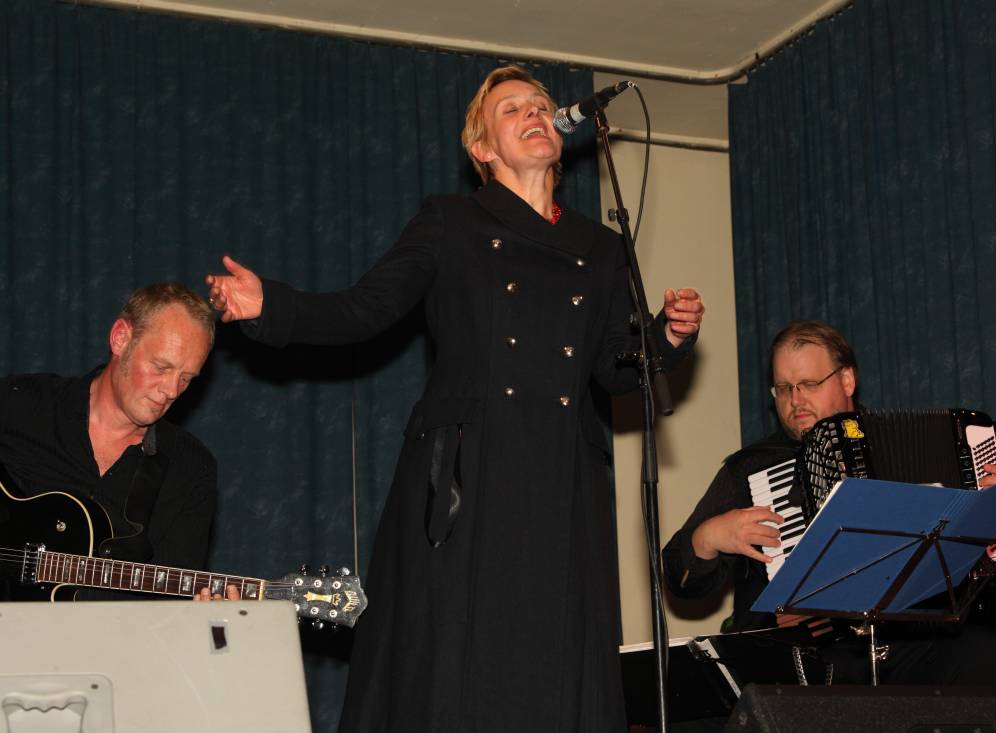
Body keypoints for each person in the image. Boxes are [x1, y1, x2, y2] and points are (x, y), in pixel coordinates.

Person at [206, 65, 705, 732]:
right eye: (511, 109)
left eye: (541, 104)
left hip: (563, 480)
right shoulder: (450, 221)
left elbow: (615, 370)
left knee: (555, 660)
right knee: (457, 665)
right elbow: (364, 309)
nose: (534, 113)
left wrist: (666, 337)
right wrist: (273, 306)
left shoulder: (602, 246)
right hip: (469, 476)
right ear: (482, 148)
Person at [662, 320, 996, 687]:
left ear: (847, 380)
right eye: (784, 388)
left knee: (989, 656)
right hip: (805, 653)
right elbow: (679, 577)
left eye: (809, 384)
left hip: (903, 641)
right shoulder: (752, 468)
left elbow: (988, 600)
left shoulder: (905, 443)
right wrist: (709, 537)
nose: (795, 400)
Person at [0, 282, 237, 601]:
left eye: (186, 378)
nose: (171, 390)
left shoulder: (190, 467)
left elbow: (169, 609)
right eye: (161, 367)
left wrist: (202, 614)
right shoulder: (20, 405)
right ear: (120, 338)